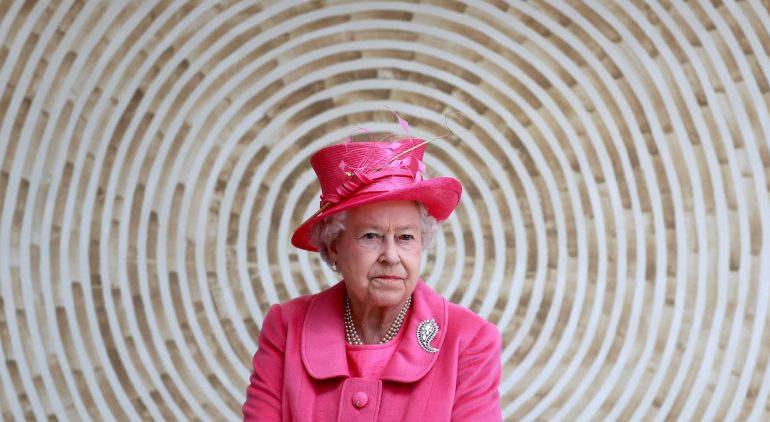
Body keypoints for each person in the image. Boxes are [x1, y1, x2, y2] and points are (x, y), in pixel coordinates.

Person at [243, 135, 502, 421]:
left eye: (405, 237)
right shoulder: (286, 327)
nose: (391, 256)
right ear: (334, 247)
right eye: (371, 236)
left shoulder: (469, 339)